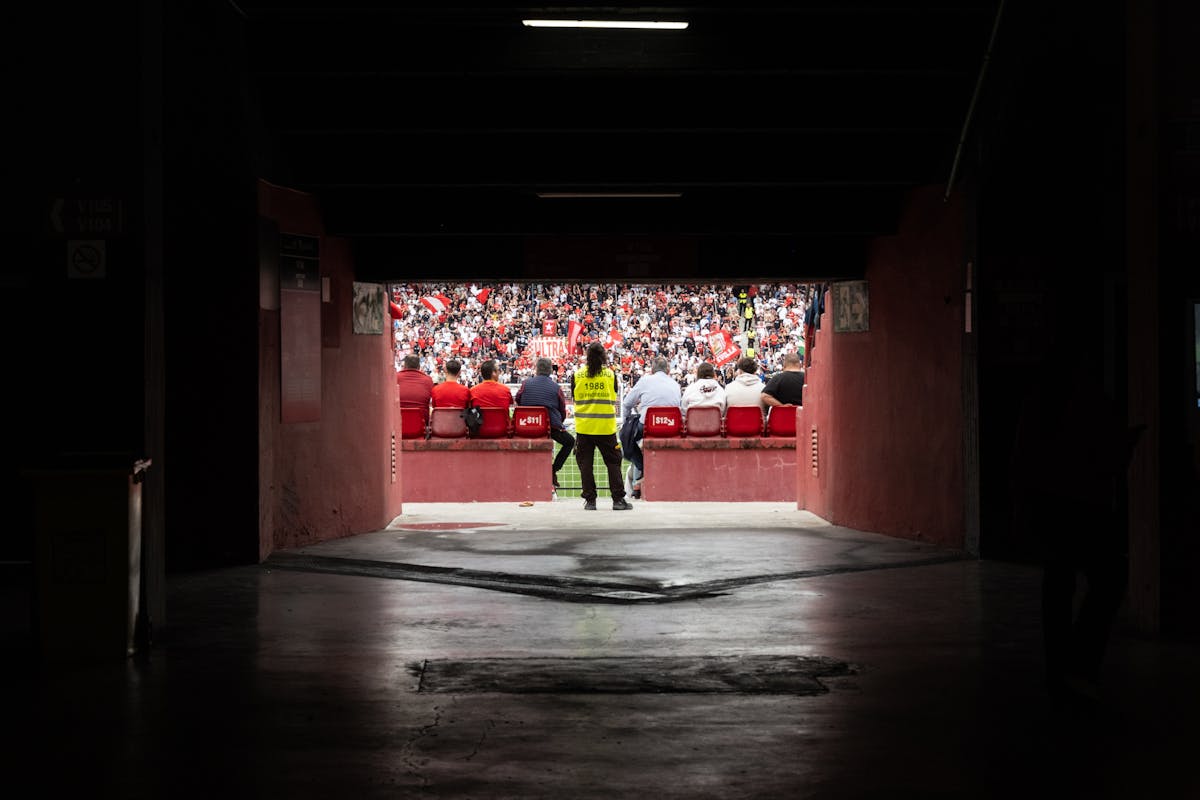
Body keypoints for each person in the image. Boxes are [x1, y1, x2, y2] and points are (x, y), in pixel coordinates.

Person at [1012, 341, 1143, 711]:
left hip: (1056, 507)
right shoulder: (1087, 400)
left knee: (1059, 587)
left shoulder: (1042, 402)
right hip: (1082, 507)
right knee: (1107, 578)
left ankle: (1063, 672)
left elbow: (1023, 460)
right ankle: (1076, 667)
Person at [570, 342, 632, 511]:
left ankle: (590, 501)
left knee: (585, 465)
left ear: (587, 356)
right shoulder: (610, 375)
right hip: (606, 427)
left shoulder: (577, 375)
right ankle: (618, 500)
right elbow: (614, 396)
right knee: (613, 463)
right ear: (603, 356)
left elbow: (575, 399)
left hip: (584, 428)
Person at [621, 356, 683, 498]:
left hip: (649, 427)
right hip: (671, 427)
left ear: (652, 370)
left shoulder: (645, 381)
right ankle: (640, 475)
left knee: (626, 438)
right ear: (668, 370)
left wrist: (625, 424)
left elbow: (626, 404)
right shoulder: (675, 384)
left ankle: (642, 467)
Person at [516, 357, 575, 488]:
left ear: (537, 369)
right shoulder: (556, 387)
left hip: (527, 425)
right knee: (570, 442)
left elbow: (518, 400)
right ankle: (553, 470)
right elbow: (562, 410)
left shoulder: (526, 383)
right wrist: (559, 423)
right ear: (550, 371)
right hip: (549, 427)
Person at [396, 353, 433, 425]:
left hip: (399, 424)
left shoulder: (395, 377)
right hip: (421, 425)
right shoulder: (428, 380)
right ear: (419, 366)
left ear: (404, 366)